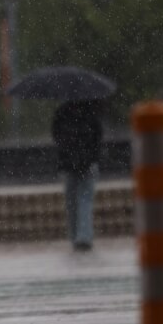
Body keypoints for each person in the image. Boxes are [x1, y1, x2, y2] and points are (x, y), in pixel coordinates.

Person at [51, 99, 102, 252]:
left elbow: (56, 135)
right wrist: (91, 155)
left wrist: (68, 154)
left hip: (69, 164)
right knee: (84, 199)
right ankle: (84, 236)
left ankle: (75, 236)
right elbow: (98, 136)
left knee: (71, 201)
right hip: (87, 163)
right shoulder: (91, 113)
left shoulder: (61, 113)